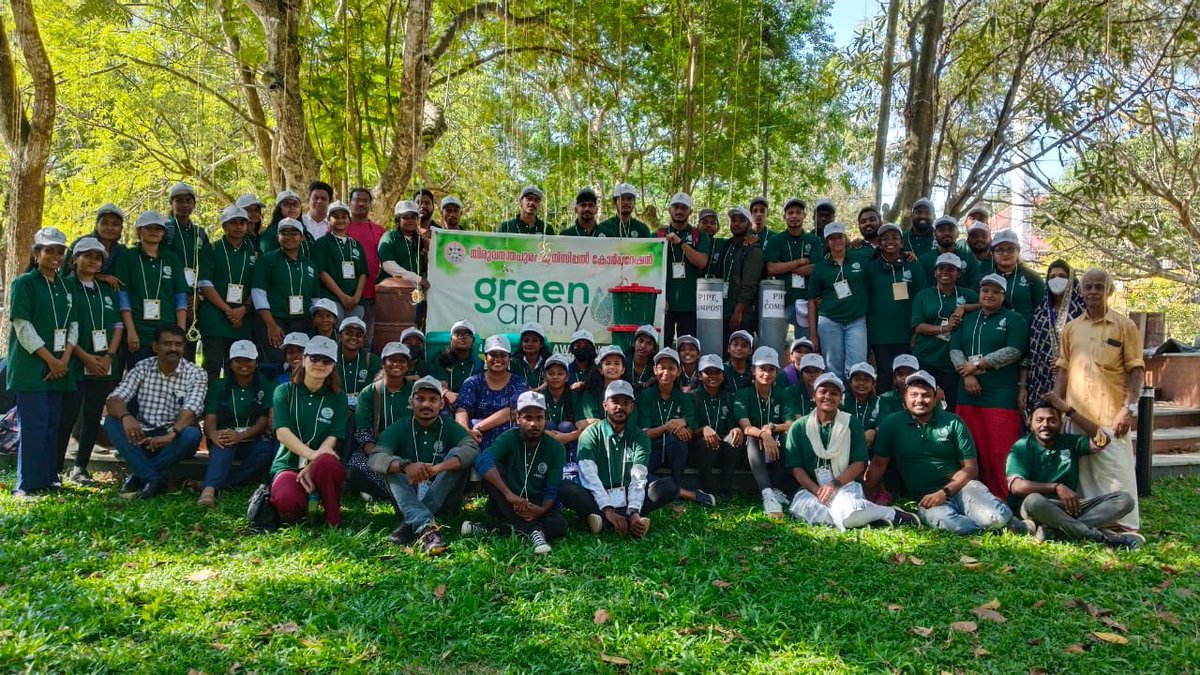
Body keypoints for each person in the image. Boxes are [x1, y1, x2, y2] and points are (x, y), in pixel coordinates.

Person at [867, 370, 1023, 534]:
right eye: (913, 395)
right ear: (904, 399)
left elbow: (971, 468)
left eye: (926, 395)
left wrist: (944, 492)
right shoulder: (892, 423)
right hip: (927, 497)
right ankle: (993, 527)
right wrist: (865, 497)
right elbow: (878, 464)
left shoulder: (953, 422)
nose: (919, 400)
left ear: (935, 399)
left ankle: (1004, 519)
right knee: (957, 527)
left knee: (995, 518)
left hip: (963, 488)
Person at [1054, 269, 1144, 532]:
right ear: (1081, 292)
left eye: (1099, 287)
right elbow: (1063, 369)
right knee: (1083, 477)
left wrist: (1128, 409)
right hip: (1075, 415)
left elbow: (1136, 370)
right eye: (1088, 287)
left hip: (1111, 416)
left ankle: (1124, 526)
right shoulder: (1071, 328)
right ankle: (1091, 523)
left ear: (1109, 291)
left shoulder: (1125, 326)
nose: (1093, 292)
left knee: (1117, 474)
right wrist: (1058, 408)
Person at [786, 373, 919, 529]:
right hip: (811, 489)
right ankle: (879, 514)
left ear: (840, 397)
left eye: (834, 393)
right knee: (801, 509)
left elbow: (859, 463)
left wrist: (834, 485)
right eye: (823, 392)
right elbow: (796, 467)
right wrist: (817, 491)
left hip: (845, 486)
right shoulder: (799, 427)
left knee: (849, 508)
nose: (828, 396)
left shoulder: (850, 423)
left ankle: (880, 514)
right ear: (813, 395)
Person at [1006, 396, 1142, 548]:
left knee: (1124, 499)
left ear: (1060, 424)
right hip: (1036, 508)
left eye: (1052, 420)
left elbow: (1103, 439)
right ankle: (1101, 538)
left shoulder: (1069, 442)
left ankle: (1055, 532)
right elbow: (1016, 486)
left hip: (1069, 508)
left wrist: (1069, 411)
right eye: (1040, 420)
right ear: (1030, 424)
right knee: (1034, 499)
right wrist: (1056, 487)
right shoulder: (1022, 447)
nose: (1045, 425)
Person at [367, 376, 481, 554]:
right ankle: (428, 528)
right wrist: (405, 466)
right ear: (411, 402)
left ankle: (409, 527)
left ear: (441, 404)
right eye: (420, 399)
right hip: (409, 494)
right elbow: (375, 458)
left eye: (432, 400)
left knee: (455, 456)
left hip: (444, 502)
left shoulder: (449, 426)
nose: (426, 405)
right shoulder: (399, 427)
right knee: (390, 464)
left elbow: (472, 448)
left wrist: (438, 468)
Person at [558, 380, 679, 536]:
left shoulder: (640, 437)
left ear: (632, 407)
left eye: (626, 403)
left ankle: (606, 520)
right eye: (615, 401)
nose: (620, 407)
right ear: (605, 405)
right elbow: (589, 476)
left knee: (669, 486)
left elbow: (639, 478)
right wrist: (607, 508)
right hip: (596, 497)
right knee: (565, 488)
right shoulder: (590, 434)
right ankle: (608, 516)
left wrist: (633, 510)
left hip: (627, 496)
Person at [9, 228, 78, 497]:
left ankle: (49, 479)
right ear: (37, 254)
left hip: (60, 366)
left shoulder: (65, 285)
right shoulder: (24, 283)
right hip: (32, 367)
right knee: (34, 425)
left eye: (60, 251)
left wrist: (64, 360)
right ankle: (26, 485)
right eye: (49, 250)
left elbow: (74, 325)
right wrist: (51, 360)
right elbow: (22, 326)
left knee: (53, 424)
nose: (55, 256)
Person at [103, 325, 206, 499]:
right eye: (167, 344)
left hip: (174, 439)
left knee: (192, 435)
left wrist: (171, 434)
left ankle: (140, 474)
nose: (173, 348)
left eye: (178, 344)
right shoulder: (142, 367)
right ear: (155, 347)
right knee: (112, 422)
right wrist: (126, 417)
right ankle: (153, 478)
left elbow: (192, 409)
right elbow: (114, 399)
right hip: (142, 435)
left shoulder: (196, 373)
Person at [950, 273, 1029, 499]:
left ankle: (1006, 496)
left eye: (996, 291)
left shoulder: (1014, 320)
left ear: (1004, 296)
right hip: (967, 392)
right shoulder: (969, 318)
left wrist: (977, 365)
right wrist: (967, 375)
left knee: (1000, 447)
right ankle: (974, 497)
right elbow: (955, 348)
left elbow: (1014, 350)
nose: (989, 295)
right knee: (972, 448)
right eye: (985, 290)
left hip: (1000, 394)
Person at [462, 391, 568, 554]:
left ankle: (489, 528)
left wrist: (541, 510)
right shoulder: (509, 437)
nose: (534, 424)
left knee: (558, 525)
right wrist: (509, 494)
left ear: (546, 419)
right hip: (507, 500)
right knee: (491, 467)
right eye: (528, 418)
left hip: (535, 503)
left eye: (539, 418)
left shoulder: (556, 448)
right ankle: (534, 532)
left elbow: (552, 487)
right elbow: (481, 460)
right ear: (518, 418)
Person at [57, 237, 124, 487]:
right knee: (69, 415)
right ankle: (55, 468)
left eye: (98, 258)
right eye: (88, 256)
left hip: (103, 364)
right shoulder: (64, 287)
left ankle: (80, 468)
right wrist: (86, 357)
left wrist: (108, 357)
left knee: (93, 416)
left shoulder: (106, 290)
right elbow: (65, 329)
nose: (93, 261)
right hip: (76, 363)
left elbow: (118, 325)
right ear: (75, 260)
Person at [267, 335, 349, 527]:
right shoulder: (284, 391)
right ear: (304, 360)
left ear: (333, 366)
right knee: (287, 503)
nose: (320, 364)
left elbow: (334, 436)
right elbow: (282, 433)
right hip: (288, 463)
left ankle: (333, 516)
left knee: (329, 463)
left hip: (322, 463)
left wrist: (313, 463)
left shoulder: (338, 397)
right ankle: (307, 501)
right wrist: (312, 455)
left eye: (326, 360)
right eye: (314, 358)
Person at [198, 340, 274, 506]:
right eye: (238, 360)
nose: (244, 365)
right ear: (230, 363)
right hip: (226, 436)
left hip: (252, 439)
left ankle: (214, 482)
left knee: (266, 451)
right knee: (224, 441)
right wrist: (213, 434)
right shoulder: (219, 385)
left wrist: (241, 436)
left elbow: (263, 420)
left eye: (248, 360)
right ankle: (209, 490)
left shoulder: (266, 385)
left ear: (256, 362)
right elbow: (210, 417)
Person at [637, 348, 715, 506]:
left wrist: (683, 423)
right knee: (637, 475)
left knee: (678, 437)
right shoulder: (645, 396)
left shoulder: (685, 398)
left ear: (678, 371)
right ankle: (681, 492)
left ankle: (675, 485)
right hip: (653, 448)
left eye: (671, 368)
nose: (666, 372)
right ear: (655, 370)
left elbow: (690, 430)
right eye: (662, 368)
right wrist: (669, 426)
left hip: (676, 452)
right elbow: (645, 434)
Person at [116, 211, 188, 367]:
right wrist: (131, 331)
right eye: (149, 228)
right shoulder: (128, 257)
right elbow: (123, 297)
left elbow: (180, 298)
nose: (154, 232)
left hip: (168, 333)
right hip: (139, 331)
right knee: (139, 380)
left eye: (158, 228)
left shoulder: (172, 259)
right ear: (139, 231)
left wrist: (180, 332)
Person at [251, 217, 320, 380]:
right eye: (284, 233)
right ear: (277, 237)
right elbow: (258, 293)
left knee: (300, 360)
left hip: (301, 320)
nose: (289, 237)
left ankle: (297, 396)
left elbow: (315, 298)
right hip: (273, 320)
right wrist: (270, 325)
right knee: (277, 360)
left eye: (294, 233)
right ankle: (273, 398)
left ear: (302, 237)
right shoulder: (267, 260)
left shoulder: (309, 265)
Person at [910, 252, 979, 411]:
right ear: (935, 272)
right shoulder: (923, 296)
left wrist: (963, 307)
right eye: (941, 268)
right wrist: (945, 328)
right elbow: (918, 326)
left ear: (958, 273)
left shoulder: (968, 294)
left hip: (954, 363)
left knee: (952, 405)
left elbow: (985, 305)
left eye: (951, 268)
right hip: (927, 358)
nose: (945, 272)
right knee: (924, 402)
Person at [197, 204, 257, 383]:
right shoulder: (212, 249)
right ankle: (208, 408)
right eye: (233, 223)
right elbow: (205, 284)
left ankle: (232, 408)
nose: (238, 227)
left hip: (242, 319)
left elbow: (258, 286)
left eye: (242, 223)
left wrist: (243, 309)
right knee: (212, 365)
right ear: (224, 226)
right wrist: (228, 310)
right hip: (215, 317)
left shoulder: (254, 252)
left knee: (237, 367)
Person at [735, 346, 795, 518]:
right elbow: (746, 426)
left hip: (775, 449)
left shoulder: (783, 394)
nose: (767, 374)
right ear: (753, 370)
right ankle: (767, 493)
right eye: (762, 369)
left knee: (787, 437)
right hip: (752, 451)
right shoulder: (742, 394)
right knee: (752, 439)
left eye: (771, 369)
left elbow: (791, 424)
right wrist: (763, 434)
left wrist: (773, 428)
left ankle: (776, 488)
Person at [866, 223, 926, 392]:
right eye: (885, 238)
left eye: (894, 238)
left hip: (906, 333)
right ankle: (884, 412)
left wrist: (916, 332)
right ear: (879, 243)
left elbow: (921, 299)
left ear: (901, 242)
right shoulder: (871, 267)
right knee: (885, 374)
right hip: (880, 334)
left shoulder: (913, 265)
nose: (889, 241)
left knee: (907, 375)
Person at [807, 222, 869, 381]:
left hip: (856, 320)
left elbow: (883, 255)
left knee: (857, 367)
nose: (836, 241)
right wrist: (813, 334)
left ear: (845, 238)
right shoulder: (820, 267)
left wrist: (908, 255)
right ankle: (837, 403)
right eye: (832, 238)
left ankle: (852, 403)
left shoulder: (861, 259)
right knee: (833, 368)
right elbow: (812, 301)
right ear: (827, 242)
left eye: (839, 237)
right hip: (829, 321)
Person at [1024, 259, 1086, 413]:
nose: (1056, 280)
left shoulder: (1084, 311)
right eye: (1052, 277)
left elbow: (1091, 346)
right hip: (1041, 379)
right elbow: (1029, 353)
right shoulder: (1039, 313)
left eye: (1062, 276)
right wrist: (1022, 386)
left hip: (1077, 381)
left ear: (1071, 279)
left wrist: (1066, 363)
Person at [456, 335, 529, 449]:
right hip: (476, 438)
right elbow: (462, 409)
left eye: (503, 355)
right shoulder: (472, 382)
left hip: (508, 440)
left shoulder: (519, 383)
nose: (498, 359)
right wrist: (466, 431)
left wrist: (479, 426)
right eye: (493, 355)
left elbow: (511, 411)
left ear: (509, 358)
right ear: (485, 357)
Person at [764, 197, 819, 341]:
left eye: (798, 212)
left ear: (804, 216)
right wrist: (799, 262)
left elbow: (815, 268)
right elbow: (771, 268)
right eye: (790, 213)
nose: (794, 216)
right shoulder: (776, 240)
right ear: (785, 217)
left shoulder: (813, 240)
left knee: (804, 345)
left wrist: (784, 266)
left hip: (805, 301)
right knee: (774, 343)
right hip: (780, 300)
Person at [163, 182, 208, 357]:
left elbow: (204, 265)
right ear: (171, 203)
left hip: (194, 298)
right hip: (170, 295)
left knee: (189, 346)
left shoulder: (200, 233)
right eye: (179, 201)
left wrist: (198, 295)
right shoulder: (165, 230)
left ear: (194, 205)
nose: (184, 205)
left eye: (188, 201)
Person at [660, 192, 710, 344]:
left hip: (690, 304)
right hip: (664, 304)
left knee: (687, 349)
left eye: (683, 208)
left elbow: (702, 262)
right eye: (675, 207)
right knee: (663, 347)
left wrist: (681, 243)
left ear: (690, 211)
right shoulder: (658, 235)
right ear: (669, 209)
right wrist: (660, 298)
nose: (679, 211)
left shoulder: (699, 235)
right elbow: (650, 268)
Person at [691, 354, 742, 498]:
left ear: (723, 375)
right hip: (699, 447)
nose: (713, 375)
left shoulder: (729, 397)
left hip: (723, 443)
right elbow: (690, 430)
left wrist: (736, 429)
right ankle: (706, 486)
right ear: (700, 376)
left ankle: (725, 485)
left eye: (717, 372)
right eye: (708, 372)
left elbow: (733, 424)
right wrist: (703, 430)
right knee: (704, 442)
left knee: (735, 438)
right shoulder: (692, 397)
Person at [709, 207, 763, 340]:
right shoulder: (727, 245)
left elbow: (750, 284)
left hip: (743, 314)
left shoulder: (753, 250)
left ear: (749, 224)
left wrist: (739, 311)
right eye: (733, 220)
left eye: (741, 221)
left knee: (741, 350)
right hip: (723, 310)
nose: (736, 224)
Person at [312, 200, 367, 321]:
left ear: (349, 220)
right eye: (335, 217)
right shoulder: (322, 243)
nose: (340, 220)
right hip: (331, 299)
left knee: (353, 334)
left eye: (344, 217)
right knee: (334, 334)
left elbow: (363, 273)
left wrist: (356, 297)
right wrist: (342, 296)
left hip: (355, 301)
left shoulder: (356, 244)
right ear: (328, 220)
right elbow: (321, 272)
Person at [377, 199, 429, 326]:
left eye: (414, 217)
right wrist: (417, 279)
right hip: (394, 294)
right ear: (397, 220)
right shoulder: (389, 237)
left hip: (416, 294)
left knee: (413, 327)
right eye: (406, 217)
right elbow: (389, 265)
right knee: (393, 329)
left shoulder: (419, 241)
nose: (411, 221)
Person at [346, 187, 387, 346]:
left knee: (365, 339)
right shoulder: (340, 226)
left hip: (370, 293)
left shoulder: (379, 231)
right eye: (357, 200)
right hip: (344, 293)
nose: (361, 204)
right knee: (344, 336)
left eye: (366, 201)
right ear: (350, 203)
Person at [980, 229, 1045, 323]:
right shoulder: (984, 278)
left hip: (1024, 332)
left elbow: (1042, 309)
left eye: (1010, 249)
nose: (1005, 254)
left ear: (1018, 251)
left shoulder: (1032, 277)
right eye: (1000, 250)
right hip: (991, 332)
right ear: (992, 254)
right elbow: (975, 304)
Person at [540, 354, 582, 480]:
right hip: (544, 438)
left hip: (568, 440)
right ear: (545, 376)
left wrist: (567, 436)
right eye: (551, 373)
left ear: (567, 377)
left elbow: (581, 425)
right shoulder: (539, 397)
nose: (555, 377)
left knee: (566, 425)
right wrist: (549, 434)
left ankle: (570, 464)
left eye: (560, 373)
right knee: (548, 424)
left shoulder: (574, 396)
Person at [68, 204, 126, 289]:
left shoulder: (121, 251)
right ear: (96, 225)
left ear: (121, 228)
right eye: (105, 223)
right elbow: (66, 274)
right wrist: (100, 276)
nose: (110, 228)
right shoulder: (80, 245)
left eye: (115, 224)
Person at [432, 319, 484, 410]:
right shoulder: (441, 359)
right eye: (457, 334)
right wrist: (447, 393)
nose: (462, 337)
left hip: (472, 404)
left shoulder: (479, 364)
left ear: (473, 340)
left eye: (467, 334)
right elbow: (441, 382)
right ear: (451, 339)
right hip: (446, 402)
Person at [917, 216, 980, 289]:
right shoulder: (923, 260)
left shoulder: (969, 259)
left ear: (958, 234)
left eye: (951, 229)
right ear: (934, 234)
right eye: (942, 230)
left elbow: (975, 288)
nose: (947, 233)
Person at [336, 316, 381, 413]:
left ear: (363, 340)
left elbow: (375, 391)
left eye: (359, 335)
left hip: (363, 410)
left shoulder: (373, 360)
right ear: (339, 336)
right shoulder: (330, 359)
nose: (354, 338)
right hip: (335, 409)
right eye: (348, 333)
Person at [578, 345, 629, 426]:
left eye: (616, 363)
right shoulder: (591, 394)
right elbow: (588, 426)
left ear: (623, 370)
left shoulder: (630, 393)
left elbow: (629, 424)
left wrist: (597, 422)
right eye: (608, 363)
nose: (612, 367)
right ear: (600, 370)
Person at [842, 362, 882, 448]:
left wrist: (874, 431)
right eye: (857, 379)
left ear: (873, 384)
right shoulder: (842, 400)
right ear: (850, 383)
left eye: (866, 380)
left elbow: (884, 423)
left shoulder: (879, 402)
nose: (861, 383)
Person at [258, 190, 306, 257]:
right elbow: (266, 259)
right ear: (279, 208)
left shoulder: (304, 230)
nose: (292, 207)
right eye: (287, 204)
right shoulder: (271, 232)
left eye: (295, 204)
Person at [784, 353, 825, 419]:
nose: (812, 375)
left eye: (816, 371)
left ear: (823, 373)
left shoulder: (829, 393)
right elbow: (793, 421)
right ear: (801, 374)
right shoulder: (791, 392)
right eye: (807, 371)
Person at [511, 321, 551, 389]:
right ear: (521, 344)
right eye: (526, 340)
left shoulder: (550, 362)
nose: (530, 344)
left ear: (541, 344)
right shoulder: (513, 362)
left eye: (535, 340)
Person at [627, 324, 659, 391]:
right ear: (633, 343)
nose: (643, 346)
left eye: (649, 343)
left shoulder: (656, 367)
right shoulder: (623, 362)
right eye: (640, 341)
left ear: (653, 349)